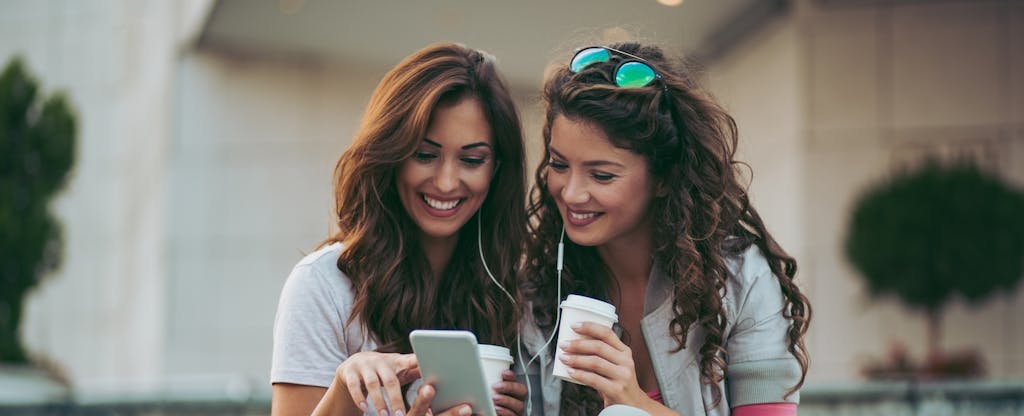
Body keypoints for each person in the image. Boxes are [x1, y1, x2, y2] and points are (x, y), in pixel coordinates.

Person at [520, 42, 812, 416]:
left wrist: (636, 405)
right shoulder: (543, 288)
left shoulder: (742, 282)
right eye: (559, 165)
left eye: (602, 175)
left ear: (663, 178)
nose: (571, 192)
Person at [271, 43, 529, 416]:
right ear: (390, 154)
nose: (445, 182)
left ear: (497, 169)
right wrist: (346, 387)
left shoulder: (514, 287)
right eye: (424, 155)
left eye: (472, 160)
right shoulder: (324, 285)